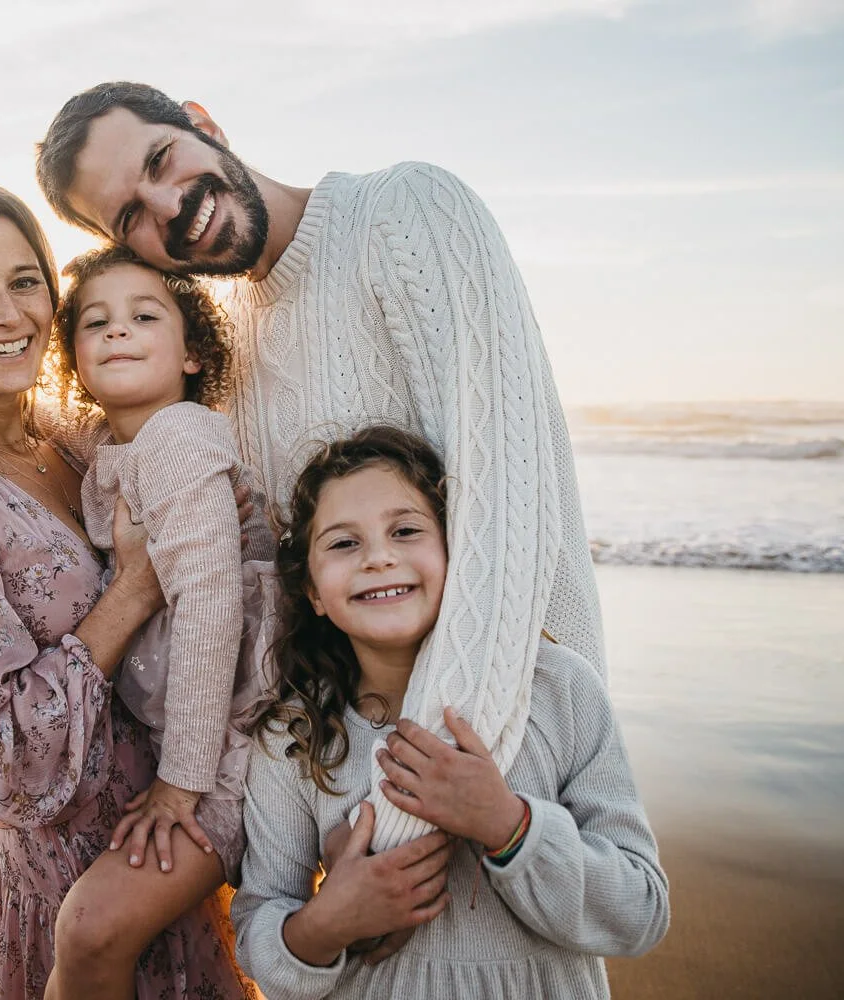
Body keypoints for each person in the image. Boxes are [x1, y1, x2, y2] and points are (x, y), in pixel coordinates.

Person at [36, 82, 608, 855]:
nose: (168, 206)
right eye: (130, 215)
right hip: (362, 791)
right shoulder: (222, 345)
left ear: (204, 124)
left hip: (516, 757)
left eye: (162, 160)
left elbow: (505, 525)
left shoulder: (408, 212)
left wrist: (397, 825)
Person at [0, 175, 252, 1000]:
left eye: (26, 282)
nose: (10, 314)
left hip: (165, 842)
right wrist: (133, 590)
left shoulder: (67, 443)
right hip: (73, 877)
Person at [233, 425, 668, 998]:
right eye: (343, 543)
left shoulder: (557, 692)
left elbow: (641, 912)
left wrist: (507, 824)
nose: (379, 558)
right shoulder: (295, 733)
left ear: (456, 551)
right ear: (312, 590)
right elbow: (260, 920)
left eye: (406, 530)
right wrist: (327, 925)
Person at [39, 245, 277, 999]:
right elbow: (40, 417)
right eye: (94, 323)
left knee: (92, 928)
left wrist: (181, 787)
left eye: (144, 317)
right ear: (72, 357)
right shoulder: (116, 443)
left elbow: (211, 616)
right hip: (192, 743)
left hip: (230, 750)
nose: (117, 332)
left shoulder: (177, 438)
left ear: (195, 353)